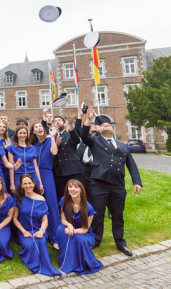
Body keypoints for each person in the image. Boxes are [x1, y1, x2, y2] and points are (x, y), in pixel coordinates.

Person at [80, 109, 143, 256]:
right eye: (103, 125)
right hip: (99, 184)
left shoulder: (123, 146)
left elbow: (131, 165)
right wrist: (88, 120)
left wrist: (137, 182)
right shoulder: (95, 141)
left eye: (109, 125)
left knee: (117, 215)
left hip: (117, 186)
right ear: (99, 130)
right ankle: (96, 240)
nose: (106, 125)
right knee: (98, 215)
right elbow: (83, 135)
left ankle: (120, 242)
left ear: (113, 129)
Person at [13, 174, 62, 277]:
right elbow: (14, 219)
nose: (27, 186)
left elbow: (45, 219)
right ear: (21, 186)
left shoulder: (41, 199)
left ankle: (45, 265)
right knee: (30, 244)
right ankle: (35, 265)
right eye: (25, 183)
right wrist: (23, 231)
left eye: (29, 183)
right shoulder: (19, 199)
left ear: (33, 183)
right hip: (24, 231)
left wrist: (41, 231)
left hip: (39, 229)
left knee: (40, 241)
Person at [56, 179, 103, 274]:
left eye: (76, 187)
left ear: (81, 190)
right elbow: (63, 220)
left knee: (78, 239)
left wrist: (73, 231)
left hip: (83, 233)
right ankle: (68, 259)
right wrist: (69, 226)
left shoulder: (88, 208)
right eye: (70, 187)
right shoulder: (63, 200)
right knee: (60, 229)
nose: (73, 189)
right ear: (67, 190)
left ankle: (79, 262)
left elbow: (85, 229)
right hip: (69, 228)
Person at [30, 121, 60, 249]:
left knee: (52, 204)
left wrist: (52, 137)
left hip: (47, 174)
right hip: (34, 175)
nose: (39, 128)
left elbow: (54, 152)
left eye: (40, 127)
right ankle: (42, 232)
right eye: (36, 127)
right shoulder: (33, 145)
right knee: (37, 205)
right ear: (33, 132)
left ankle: (56, 237)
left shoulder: (49, 140)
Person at [53, 113, 84, 201]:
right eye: (55, 121)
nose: (57, 122)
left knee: (76, 194)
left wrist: (71, 126)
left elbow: (76, 140)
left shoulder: (70, 133)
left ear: (64, 123)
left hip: (73, 170)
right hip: (59, 171)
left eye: (59, 120)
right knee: (62, 195)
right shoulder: (52, 136)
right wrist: (55, 144)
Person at [7, 126, 42, 193]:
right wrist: (12, 183)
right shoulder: (11, 148)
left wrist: (40, 183)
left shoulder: (32, 148)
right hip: (18, 176)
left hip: (32, 175)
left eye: (24, 133)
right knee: (20, 199)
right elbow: (11, 167)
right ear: (17, 134)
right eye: (20, 133)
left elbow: (36, 167)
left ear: (27, 135)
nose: (22, 135)